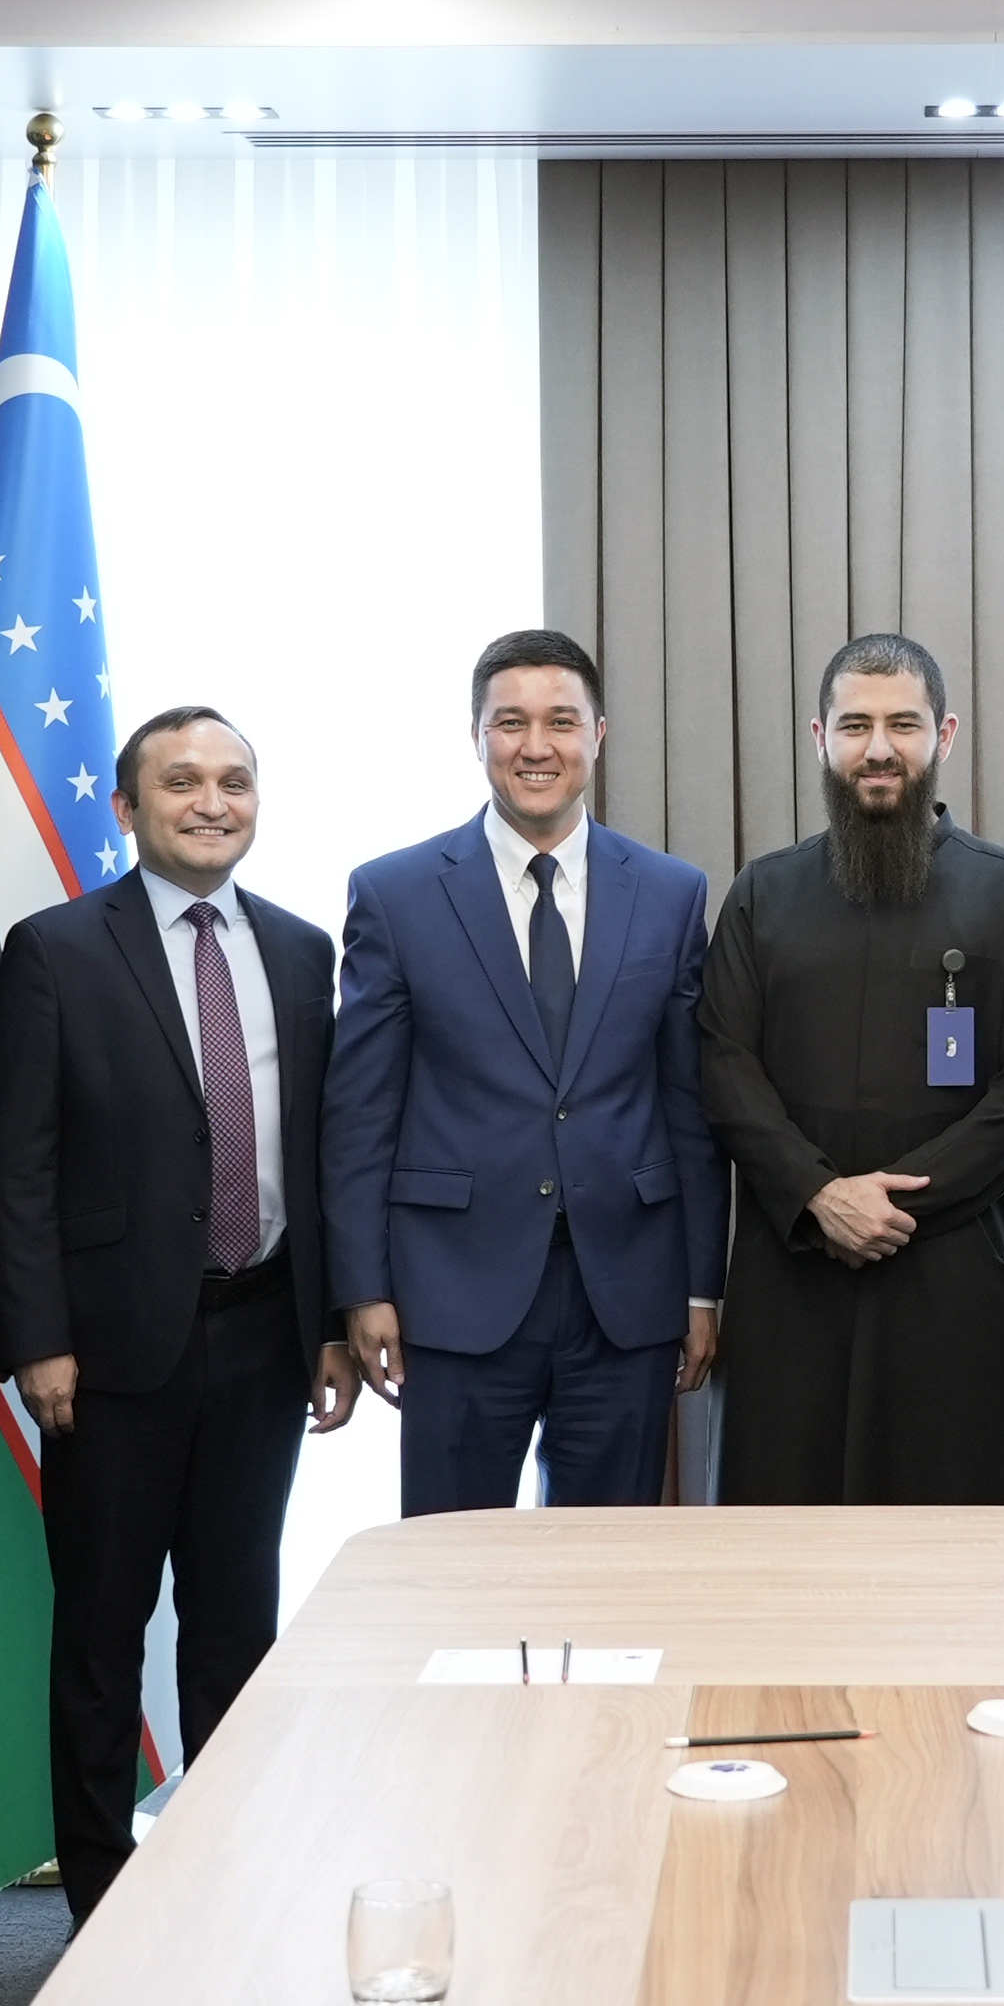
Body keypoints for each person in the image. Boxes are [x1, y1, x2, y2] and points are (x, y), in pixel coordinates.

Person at [0, 705, 351, 1920]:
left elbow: (323, 1153)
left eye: (234, 782)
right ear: (128, 808)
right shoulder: (55, 950)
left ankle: (224, 1876)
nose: (211, 803)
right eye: (182, 782)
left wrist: (329, 1322)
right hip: (107, 1349)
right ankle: (100, 1896)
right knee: (101, 1631)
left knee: (237, 1622)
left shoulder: (300, 951)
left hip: (263, 1334)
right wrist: (37, 1338)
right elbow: (16, 1165)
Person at [323, 630, 724, 1513]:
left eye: (561, 722)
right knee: (452, 1564)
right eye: (510, 723)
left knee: (607, 1566)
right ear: (476, 735)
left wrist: (702, 1288)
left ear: (598, 735)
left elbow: (690, 1108)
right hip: (451, 1294)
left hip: (626, 1295)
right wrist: (361, 1289)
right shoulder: (395, 894)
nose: (535, 746)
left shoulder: (671, 894)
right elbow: (359, 1117)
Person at [698, 634, 1004, 1504]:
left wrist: (891, 1205)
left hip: (964, 1280)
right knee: (787, 1546)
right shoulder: (762, 894)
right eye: (855, 726)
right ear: (819, 737)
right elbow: (722, 1060)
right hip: (795, 1275)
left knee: (964, 1548)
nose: (879, 749)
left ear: (946, 735)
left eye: (904, 724)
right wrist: (820, 1195)